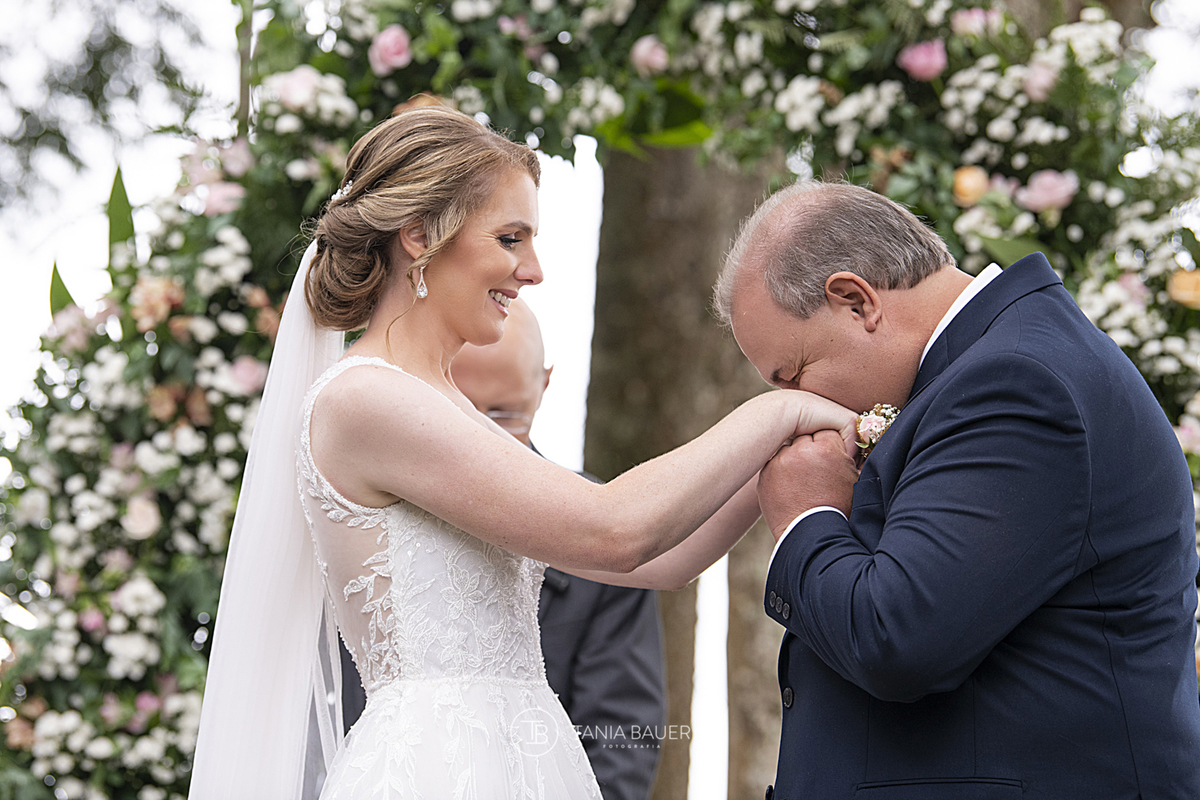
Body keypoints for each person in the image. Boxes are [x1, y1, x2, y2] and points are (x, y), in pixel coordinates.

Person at [188, 106, 857, 799]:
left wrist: (788, 451)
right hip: (437, 769)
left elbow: (659, 560)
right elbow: (615, 529)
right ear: (419, 236)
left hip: (526, 759)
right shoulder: (364, 400)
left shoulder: (452, 410)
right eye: (511, 238)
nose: (532, 271)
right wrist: (779, 409)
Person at [713, 180, 1200, 799]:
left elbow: (896, 636)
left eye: (796, 374)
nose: (796, 406)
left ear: (856, 301)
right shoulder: (995, 366)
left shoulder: (1016, 381)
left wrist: (806, 515)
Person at [451, 298, 667, 799]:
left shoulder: (603, 530)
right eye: (457, 409)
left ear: (543, 387)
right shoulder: (368, 507)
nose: (480, 436)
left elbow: (622, 738)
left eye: (503, 415)